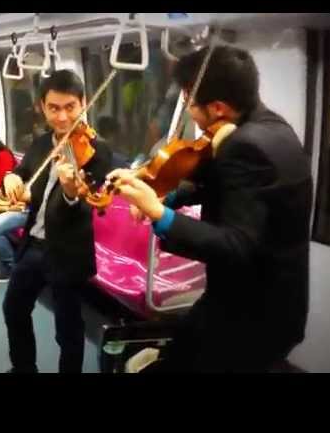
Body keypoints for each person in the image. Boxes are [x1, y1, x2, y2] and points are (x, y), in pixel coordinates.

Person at [108, 45, 313, 372]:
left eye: (190, 100)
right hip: (258, 299)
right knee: (183, 348)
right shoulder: (270, 127)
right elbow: (220, 181)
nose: (188, 109)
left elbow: (237, 245)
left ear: (218, 108)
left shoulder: (245, 146)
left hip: (252, 315)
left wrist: (159, 213)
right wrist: (165, 193)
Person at [0, 70, 112, 373]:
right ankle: (24, 368)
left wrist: (70, 191)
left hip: (68, 251)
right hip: (34, 246)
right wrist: (11, 175)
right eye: (54, 108)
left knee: (68, 330)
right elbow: (22, 172)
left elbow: (91, 201)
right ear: (42, 107)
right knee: (13, 308)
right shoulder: (40, 144)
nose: (63, 117)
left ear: (84, 104)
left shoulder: (98, 151)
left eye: (70, 107)